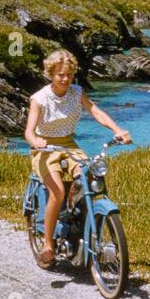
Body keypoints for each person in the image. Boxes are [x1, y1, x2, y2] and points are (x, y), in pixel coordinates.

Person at [24, 49, 132, 268]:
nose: (65, 79)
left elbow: (95, 111)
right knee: (57, 191)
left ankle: (77, 224)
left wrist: (117, 130)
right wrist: (36, 142)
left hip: (69, 144)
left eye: (69, 75)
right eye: (60, 74)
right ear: (50, 73)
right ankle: (48, 244)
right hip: (45, 149)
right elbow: (28, 131)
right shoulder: (39, 98)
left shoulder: (76, 92)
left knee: (90, 181)